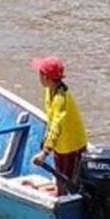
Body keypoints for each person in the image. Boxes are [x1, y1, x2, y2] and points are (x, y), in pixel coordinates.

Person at [30, 57, 88, 196]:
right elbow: (51, 121)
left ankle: (66, 199)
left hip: (71, 146)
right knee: (60, 177)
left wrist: (44, 153)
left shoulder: (61, 99)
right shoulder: (49, 91)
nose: (38, 76)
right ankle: (60, 194)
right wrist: (46, 139)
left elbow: (57, 126)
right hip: (60, 145)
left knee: (68, 180)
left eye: (40, 73)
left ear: (46, 77)